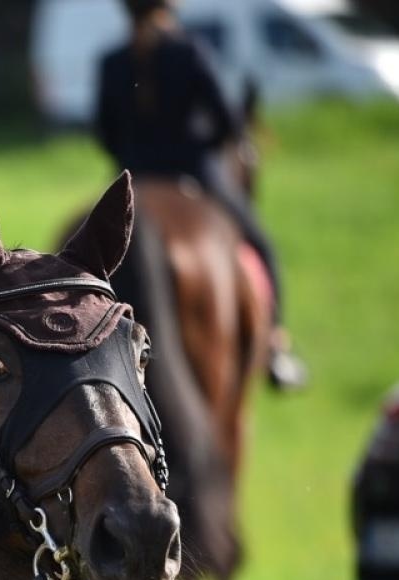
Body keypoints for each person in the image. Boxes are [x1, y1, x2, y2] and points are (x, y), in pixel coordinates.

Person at [95, 0, 306, 388]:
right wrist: (198, 145)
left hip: (134, 181)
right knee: (261, 245)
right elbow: (226, 123)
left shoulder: (111, 61)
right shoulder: (189, 51)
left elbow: (105, 134)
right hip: (193, 173)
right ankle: (275, 345)